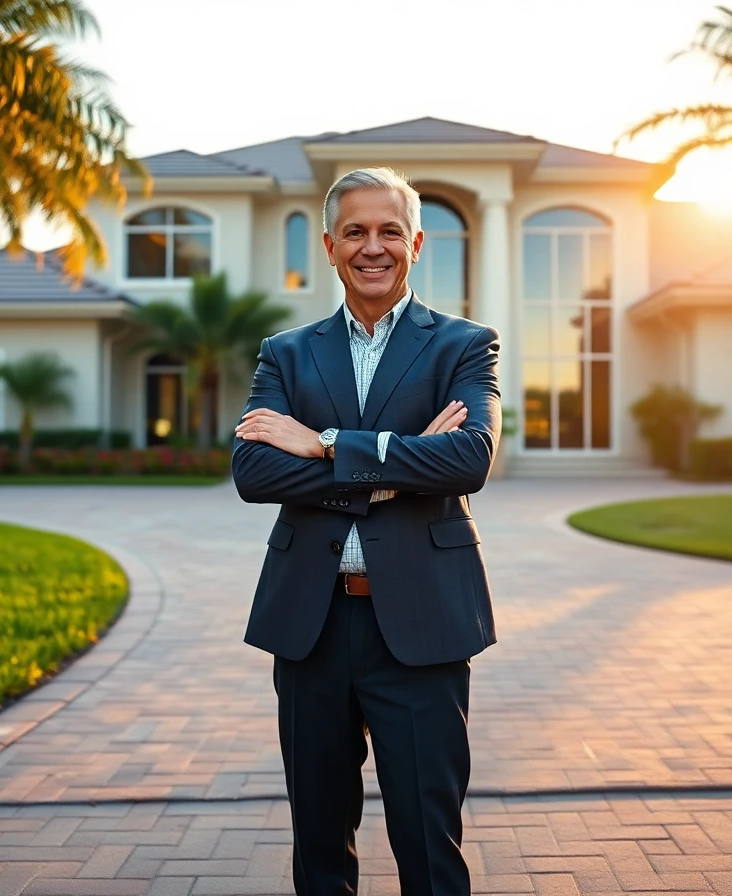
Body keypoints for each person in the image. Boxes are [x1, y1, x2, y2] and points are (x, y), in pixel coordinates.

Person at [232, 166, 501, 896]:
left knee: (428, 841)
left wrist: (322, 444)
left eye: (389, 232)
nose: (372, 247)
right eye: (355, 231)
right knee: (319, 842)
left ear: (416, 242)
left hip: (422, 624)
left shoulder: (464, 346)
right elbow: (255, 475)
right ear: (329, 245)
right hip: (311, 625)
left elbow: (470, 458)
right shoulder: (286, 352)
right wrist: (404, 463)